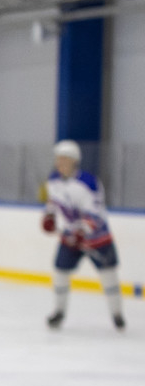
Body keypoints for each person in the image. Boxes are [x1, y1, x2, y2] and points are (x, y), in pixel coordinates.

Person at [42, 139, 125, 331]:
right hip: (70, 237)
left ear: (74, 161)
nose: (59, 163)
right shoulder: (53, 180)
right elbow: (53, 203)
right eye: (58, 159)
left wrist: (83, 230)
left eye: (63, 159)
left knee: (108, 275)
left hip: (98, 238)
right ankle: (59, 312)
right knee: (60, 272)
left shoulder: (89, 183)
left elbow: (95, 212)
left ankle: (117, 314)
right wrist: (48, 216)